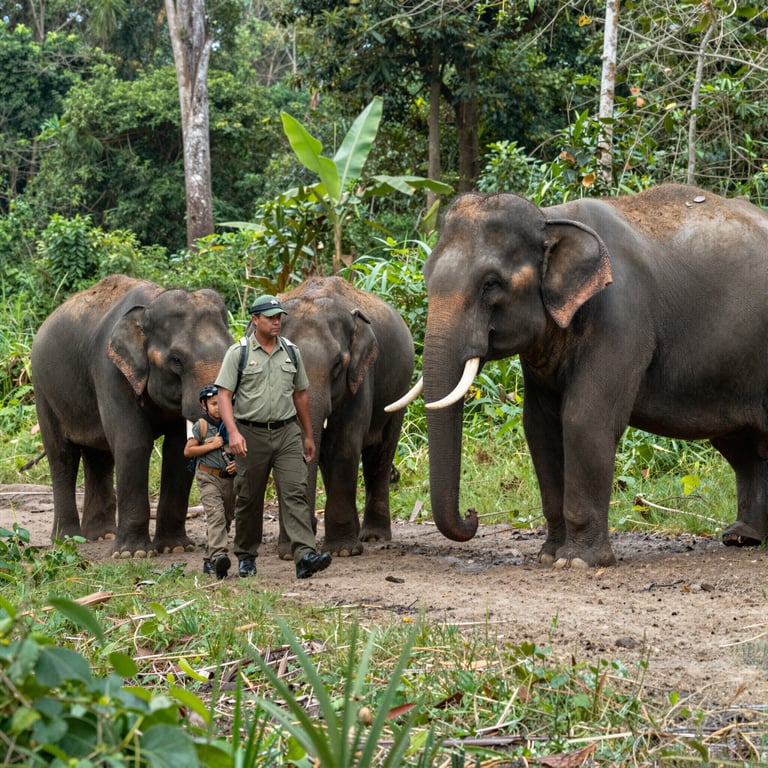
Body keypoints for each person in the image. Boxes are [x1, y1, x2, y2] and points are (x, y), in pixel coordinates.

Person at [215, 295, 332, 579]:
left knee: (295, 492)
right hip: (250, 433)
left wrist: (307, 434)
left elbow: (301, 395)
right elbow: (224, 394)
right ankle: (246, 555)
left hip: (287, 432)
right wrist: (232, 432)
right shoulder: (239, 353)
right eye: (270, 317)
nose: (277, 321)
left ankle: (304, 554)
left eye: (279, 316)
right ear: (255, 319)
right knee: (249, 497)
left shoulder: (291, 352)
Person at [184, 385, 236, 579]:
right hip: (207, 477)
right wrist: (211, 445)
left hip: (228, 479)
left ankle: (209, 559)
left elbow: (240, 449)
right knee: (216, 515)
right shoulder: (201, 426)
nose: (218, 408)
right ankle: (219, 556)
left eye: (221, 403)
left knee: (227, 517)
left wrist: (236, 465)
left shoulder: (232, 426)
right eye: (214, 404)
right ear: (204, 405)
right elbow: (188, 451)